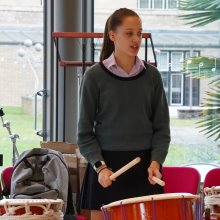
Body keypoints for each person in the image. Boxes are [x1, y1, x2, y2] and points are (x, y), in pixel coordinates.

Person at [77, 8, 170, 211]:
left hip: (145, 171)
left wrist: (156, 163)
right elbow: (84, 134)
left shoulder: (152, 76)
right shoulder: (93, 77)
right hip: (106, 171)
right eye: (129, 33)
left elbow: (162, 130)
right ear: (112, 36)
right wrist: (100, 168)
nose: (136, 39)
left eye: (139, 33)